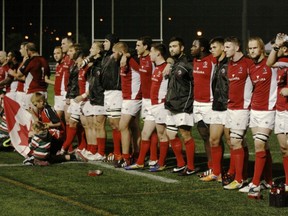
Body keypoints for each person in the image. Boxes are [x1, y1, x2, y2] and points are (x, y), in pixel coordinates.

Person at [239, 36, 276, 198]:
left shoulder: (272, 64)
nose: (252, 51)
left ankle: (255, 184)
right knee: (264, 147)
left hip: (268, 110)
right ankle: (268, 180)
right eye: (250, 48)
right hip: (255, 111)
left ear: (262, 49)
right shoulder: (251, 68)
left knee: (259, 145)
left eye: (255, 48)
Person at [125, 43, 169, 171]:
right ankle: (140, 162)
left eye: (152, 52)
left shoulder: (167, 67)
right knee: (145, 133)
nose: (149, 54)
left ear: (158, 53)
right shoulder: (155, 66)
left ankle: (161, 163)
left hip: (161, 105)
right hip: (152, 105)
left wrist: (170, 63)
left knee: (162, 135)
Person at [222, 36, 253, 189]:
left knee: (236, 141)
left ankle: (239, 179)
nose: (224, 49)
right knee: (235, 141)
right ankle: (242, 173)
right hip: (231, 107)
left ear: (237, 47)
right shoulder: (230, 64)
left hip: (242, 108)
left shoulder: (248, 63)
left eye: (227, 47)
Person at [163, 36, 197, 175]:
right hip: (171, 104)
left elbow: (195, 83)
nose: (172, 49)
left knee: (185, 134)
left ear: (182, 48)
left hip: (183, 104)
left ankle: (191, 166)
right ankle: (181, 163)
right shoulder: (174, 63)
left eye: (175, 46)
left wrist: (190, 102)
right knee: (171, 134)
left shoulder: (188, 63)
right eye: (170, 47)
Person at [201, 37, 229, 182]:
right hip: (217, 107)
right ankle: (217, 172)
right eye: (210, 48)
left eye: (214, 47)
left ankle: (236, 174)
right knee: (213, 140)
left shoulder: (229, 64)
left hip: (228, 107)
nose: (211, 50)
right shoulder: (216, 63)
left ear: (223, 47)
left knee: (232, 142)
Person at [75, 41, 107, 161]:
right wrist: (89, 57)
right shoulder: (92, 63)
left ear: (99, 50)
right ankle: (94, 150)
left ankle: (101, 152)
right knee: (94, 124)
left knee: (99, 125)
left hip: (101, 96)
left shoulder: (102, 61)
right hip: (94, 96)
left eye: (93, 48)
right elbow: (80, 66)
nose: (90, 50)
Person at [112, 42, 141, 168]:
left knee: (122, 126)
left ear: (120, 52)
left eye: (114, 52)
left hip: (133, 98)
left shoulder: (132, 61)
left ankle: (126, 158)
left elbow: (145, 73)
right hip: (127, 98)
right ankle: (137, 154)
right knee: (133, 126)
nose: (112, 56)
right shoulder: (122, 62)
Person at [266, 33, 288, 192]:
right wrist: (276, 46)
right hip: (281, 110)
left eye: (279, 48)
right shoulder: (282, 62)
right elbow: (269, 62)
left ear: (285, 49)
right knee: (283, 147)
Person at [190, 37, 215, 177]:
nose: (191, 48)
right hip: (197, 104)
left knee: (214, 138)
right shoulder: (194, 61)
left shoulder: (212, 60)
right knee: (204, 136)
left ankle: (217, 167)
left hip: (210, 103)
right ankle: (210, 166)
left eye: (194, 45)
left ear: (202, 48)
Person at [57, 44, 87, 155]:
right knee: (72, 121)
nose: (68, 53)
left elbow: (81, 82)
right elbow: (71, 83)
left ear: (77, 52)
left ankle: (69, 147)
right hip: (73, 96)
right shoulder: (74, 65)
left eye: (71, 51)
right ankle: (79, 145)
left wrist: (79, 96)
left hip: (79, 97)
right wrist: (68, 96)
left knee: (76, 122)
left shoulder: (83, 64)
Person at [135, 36, 159, 166]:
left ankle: (154, 157)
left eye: (139, 45)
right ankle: (153, 157)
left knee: (152, 130)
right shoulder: (141, 58)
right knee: (151, 130)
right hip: (145, 98)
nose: (136, 48)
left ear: (146, 47)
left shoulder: (152, 59)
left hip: (153, 99)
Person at [101, 34, 122, 163]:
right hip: (107, 92)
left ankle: (119, 153)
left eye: (106, 41)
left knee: (117, 124)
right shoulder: (105, 56)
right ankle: (116, 151)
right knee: (113, 124)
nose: (104, 43)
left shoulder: (117, 54)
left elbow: (128, 52)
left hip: (116, 91)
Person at [15, 42, 51, 110]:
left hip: (32, 93)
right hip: (44, 92)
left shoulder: (31, 60)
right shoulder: (44, 60)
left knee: (31, 117)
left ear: (28, 50)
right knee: (41, 115)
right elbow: (47, 77)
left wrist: (24, 61)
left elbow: (19, 73)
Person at [53, 46, 66, 119]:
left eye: (58, 53)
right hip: (57, 95)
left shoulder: (65, 65)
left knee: (57, 119)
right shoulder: (58, 66)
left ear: (63, 54)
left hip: (62, 95)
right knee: (62, 120)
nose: (56, 55)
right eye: (54, 53)